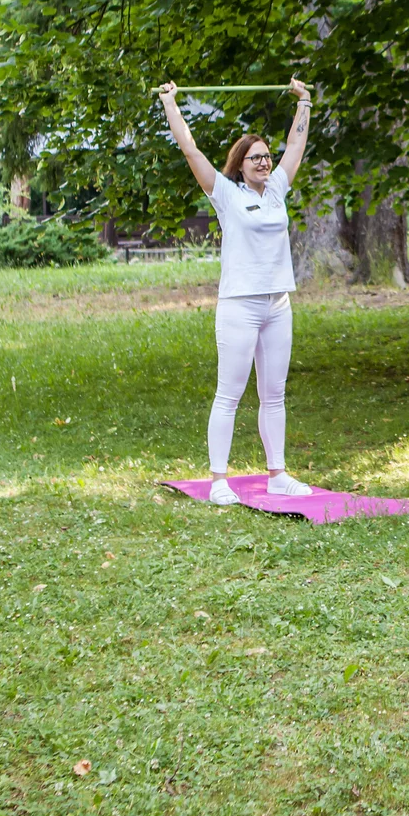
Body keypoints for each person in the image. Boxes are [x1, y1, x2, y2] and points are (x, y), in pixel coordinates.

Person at [156, 79, 315, 505]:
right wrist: (171, 103)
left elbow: (295, 148)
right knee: (229, 393)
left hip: (278, 302)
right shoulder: (225, 194)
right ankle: (219, 480)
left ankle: (278, 473)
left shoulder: (278, 189)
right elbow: (189, 149)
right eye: (255, 157)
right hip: (239, 306)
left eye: (266, 156)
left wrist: (304, 103)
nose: (264, 162)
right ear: (240, 164)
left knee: (274, 393)